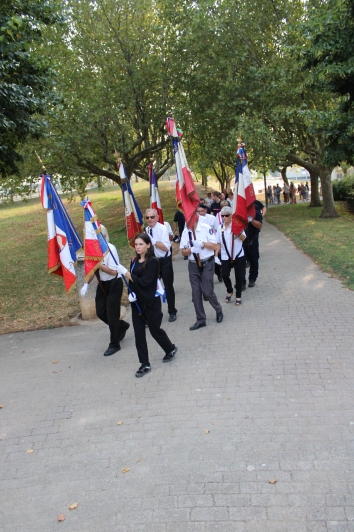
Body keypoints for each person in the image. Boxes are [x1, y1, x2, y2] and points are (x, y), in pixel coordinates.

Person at [127, 233, 178, 378]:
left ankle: (170, 349)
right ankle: (144, 364)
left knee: (155, 330)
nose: (137, 247)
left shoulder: (153, 262)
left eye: (141, 244)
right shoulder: (133, 261)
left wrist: (129, 276)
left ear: (148, 245)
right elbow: (133, 283)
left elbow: (146, 282)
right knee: (139, 333)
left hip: (151, 301)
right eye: (136, 244)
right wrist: (130, 294)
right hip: (137, 303)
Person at [180, 213, 223, 330]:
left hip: (207, 263)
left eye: (189, 219)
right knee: (196, 293)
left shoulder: (206, 228)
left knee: (208, 291)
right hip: (193, 265)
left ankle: (218, 309)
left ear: (195, 219)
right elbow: (183, 252)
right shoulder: (186, 232)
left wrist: (203, 244)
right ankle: (201, 319)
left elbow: (215, 246)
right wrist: (191, 249)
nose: (187, 222)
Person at [92, 225, 130, 357]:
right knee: (101, 312)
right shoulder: (93, 251)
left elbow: (114, 272)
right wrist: (86, 283)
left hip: (114, 283)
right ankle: (121, 326)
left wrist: (99, 265)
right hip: (102, 284)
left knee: (112, 315)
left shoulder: (110, 249)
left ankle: (114, 344)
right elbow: (92, 270)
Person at [145, 208, 177, 322]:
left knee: (168, 287)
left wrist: (153, 241)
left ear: (157, 217)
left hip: (165, 261)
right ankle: (154, 314)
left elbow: (166, 247)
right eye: (147, 217)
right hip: (153, 262)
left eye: (152, 217)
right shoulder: (146, 230)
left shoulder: (163, 228)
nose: (150, 220)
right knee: (152, 288)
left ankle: (172, 311)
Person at [216, 206, 246, 306]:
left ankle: (238, 295)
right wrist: (216, 256)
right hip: (225, 256)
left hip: (238, 255)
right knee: (224, 275)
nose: (224, 217)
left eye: (226, 215)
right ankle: (229, 290)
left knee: (239, 276)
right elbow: (218, 243)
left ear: (231, 216)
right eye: (222, 216)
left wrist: (237, 232)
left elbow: (243, 238)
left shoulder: (237, 225)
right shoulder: (220, 228)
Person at [243, 206, 263, 288]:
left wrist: (251, 220)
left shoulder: (256, 212)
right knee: (241, 263)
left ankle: (252, 279)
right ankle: (242, 282)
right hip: (241, 241)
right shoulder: (239, 212)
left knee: (254, 261)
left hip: (252, 241)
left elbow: (260, 225)